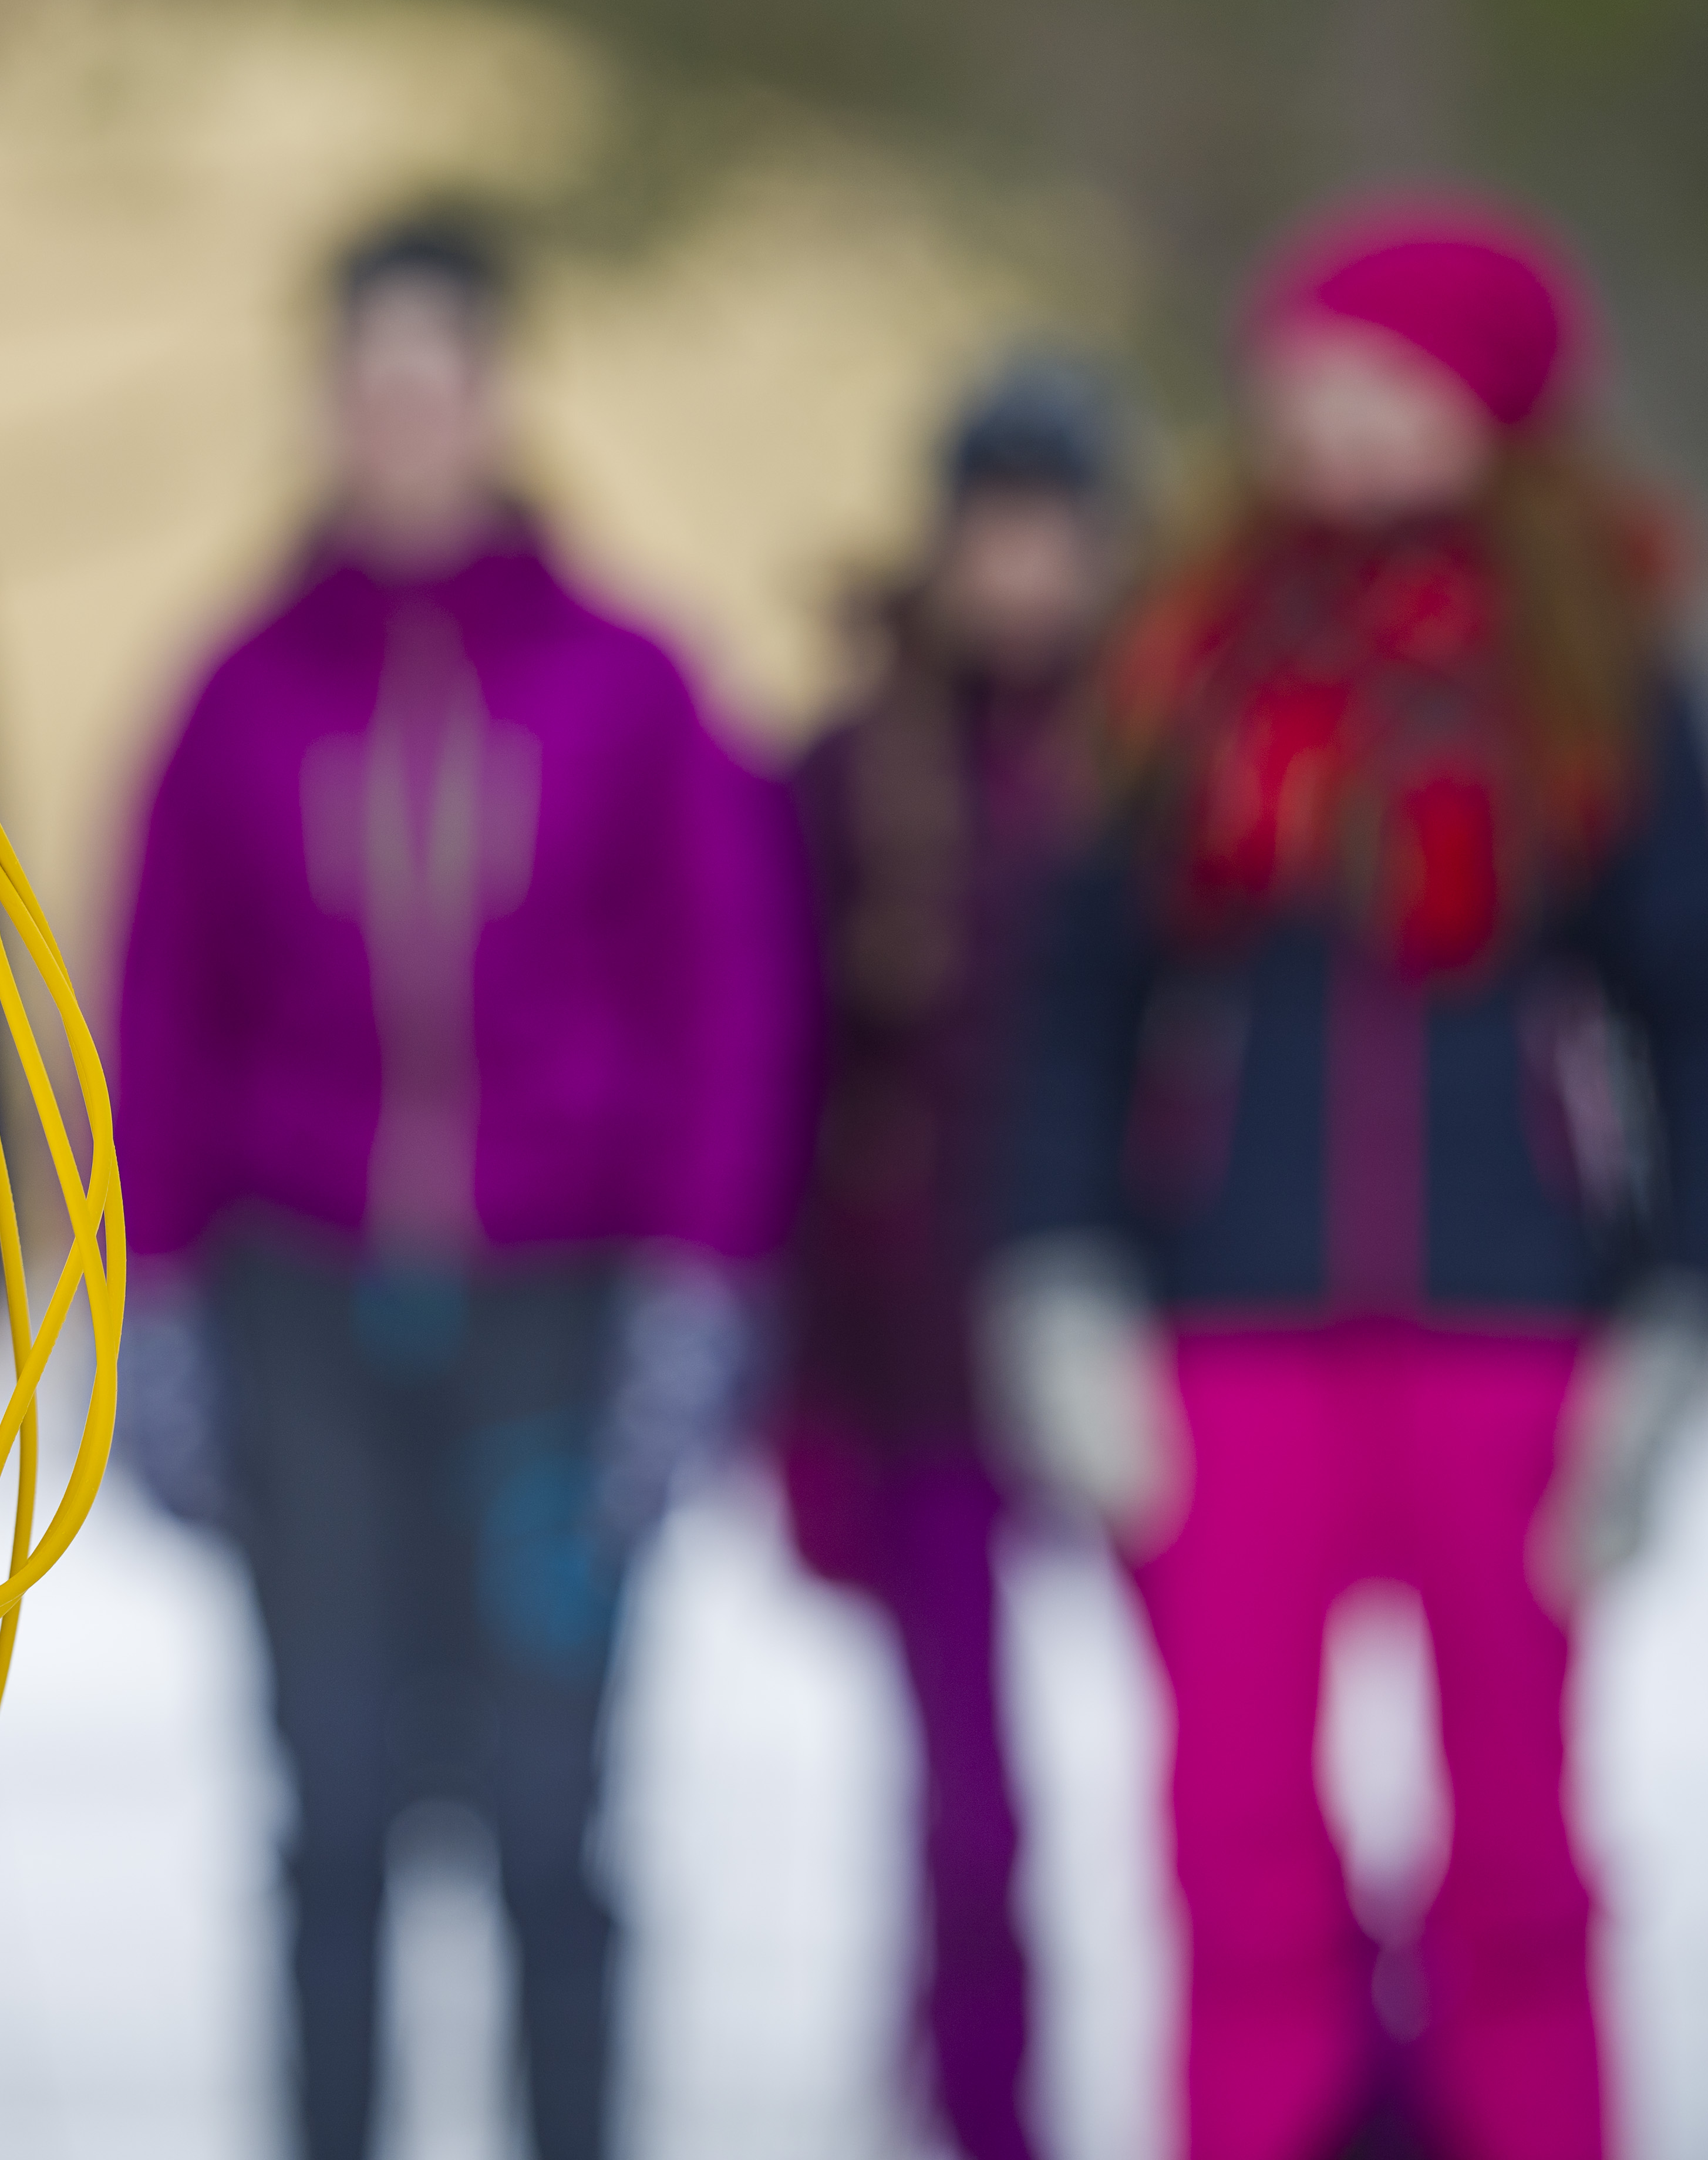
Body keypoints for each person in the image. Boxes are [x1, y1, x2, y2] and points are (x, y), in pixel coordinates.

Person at [993, 199, 1708, 2160]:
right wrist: (1060, 1268)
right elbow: (1076, 998)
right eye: (1306, 380)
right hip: (1232, 1312)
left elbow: (1700, 1011)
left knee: (1517, 1843)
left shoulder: (1595, 671)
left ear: (1483, 408)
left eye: (1380, 382)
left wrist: (1687, 1300)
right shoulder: (1188, 658)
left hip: (1514, 1316)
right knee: (1236, 1825)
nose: (1330, 420)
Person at [112, 217, 817, 2160]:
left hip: (556, 1320)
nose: (405, 423)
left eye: (440, 383)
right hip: (306, 1311)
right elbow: (158, 1003)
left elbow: (729, 994)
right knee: (334, 1805)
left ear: (499, 400)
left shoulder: (633, 680)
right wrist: (155, 1292)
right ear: (329, 409)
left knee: (546, 1804)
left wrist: (700, 1280)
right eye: (372, 387)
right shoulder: (238, 688)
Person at [778, 354, 1134, 2160]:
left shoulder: (1168, 756)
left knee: (1240, 1753)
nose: (1022, 571)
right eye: (994, 530)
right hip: (912, 1332)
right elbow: (786, 1070)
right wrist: (795, 1377)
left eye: (1053, 533)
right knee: (967, 1786)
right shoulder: (855, 772)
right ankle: (984, 2097)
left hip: (1143, 1319)